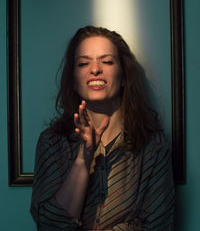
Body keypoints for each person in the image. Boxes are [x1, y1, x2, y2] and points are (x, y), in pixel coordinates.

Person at [30, 26, 175, 230]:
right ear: (72, 80)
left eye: (106, 61)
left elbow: (159, 224)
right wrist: (83, 159)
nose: (95, 69)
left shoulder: (153, 144)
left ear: (124, 76)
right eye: (83, 63)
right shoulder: (52, 142)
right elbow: (49, 224)